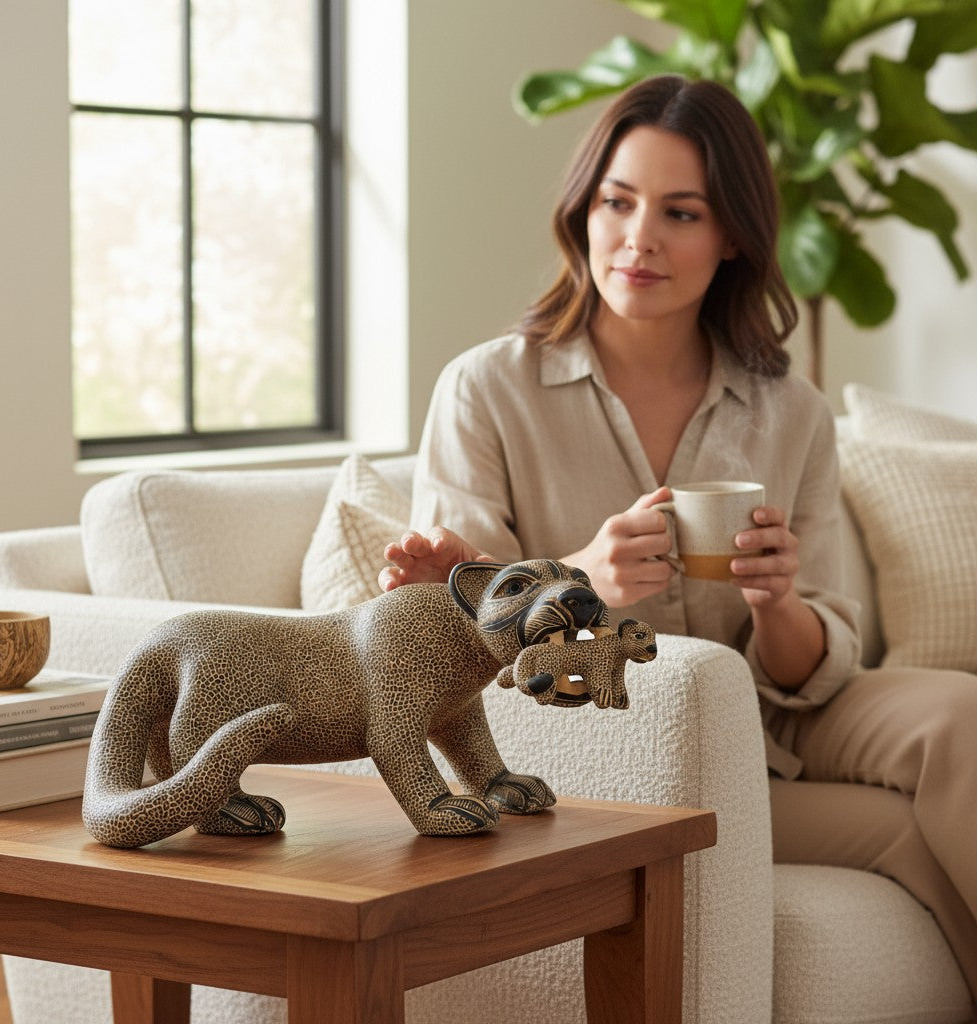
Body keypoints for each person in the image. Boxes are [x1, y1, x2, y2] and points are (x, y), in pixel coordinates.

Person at [380, 74, 977, 1000]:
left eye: (681, 212)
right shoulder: (487, 390)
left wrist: (780, 602)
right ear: (584, 210)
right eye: (617, 202)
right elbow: (465, 635)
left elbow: (815, 661)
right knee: (904, 837)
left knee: (961, 715)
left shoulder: (791, 411)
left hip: (777, 710)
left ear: (732, 234)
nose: (639, 238)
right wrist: (585, 575)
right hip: (608, 729)